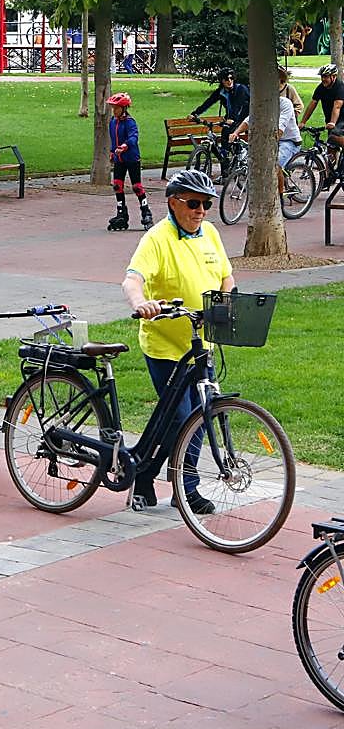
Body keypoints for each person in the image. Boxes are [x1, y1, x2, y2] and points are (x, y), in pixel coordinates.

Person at [121, 169, 233, 515]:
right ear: (173, 202)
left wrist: (227, 302)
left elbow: (227, 277)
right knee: (183, 417)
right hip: (165, 345)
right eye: (194, 203)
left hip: (201, 343)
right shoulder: (157, 238)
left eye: (207, 204)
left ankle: (163, 479)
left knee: (200, 415)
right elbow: (132, 280)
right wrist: (141, 304)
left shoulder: (210, 234)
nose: (201, 211)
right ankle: (172, 483)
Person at [229, 91, 301, 207]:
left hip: (289, 141)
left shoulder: (285, 104)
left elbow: (281, 126)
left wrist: (269, 141)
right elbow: (250, 119)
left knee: (275, 164)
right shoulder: (262, 104)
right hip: (269, 139)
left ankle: (279, 198)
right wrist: (236, 133)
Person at [106, 93, 153, 231]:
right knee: (117, 186)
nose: (114, 111)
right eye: (113, 108)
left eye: (117, 108)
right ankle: (121, 213)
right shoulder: (113, 122)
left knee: (137, 187)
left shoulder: (130, 122)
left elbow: (133, 137)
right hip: (119, 159)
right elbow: (113, 139)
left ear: (124, 108)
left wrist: (125, 146)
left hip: (131, 158)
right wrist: (111, 151)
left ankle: (146, 212)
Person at [190, 68, 250, 154]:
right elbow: (208, 102)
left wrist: (232, 119)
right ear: (221, 81)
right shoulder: (221, 91)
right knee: (225, 133)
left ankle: (235, 154)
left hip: (245, 117)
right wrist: (195, 114)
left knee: (228, 131)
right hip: (231, 118)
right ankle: (226, 160)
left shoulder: (240, 89)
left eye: (231, 78)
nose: (229, 81)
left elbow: (237, 106)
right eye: (226, 79)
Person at [300, 63, 344, 176]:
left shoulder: (340, 87)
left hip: (341, 120)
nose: (323, 79)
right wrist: (303, 122)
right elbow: (313, 104)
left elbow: (337, 106)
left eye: (326, 76)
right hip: (331, 122)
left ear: (333, 77)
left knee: (333, 137)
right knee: (330, 148)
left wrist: (333, 122)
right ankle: (331, 175)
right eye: (322, 76)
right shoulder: (321, 88)